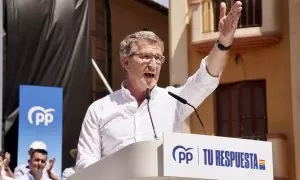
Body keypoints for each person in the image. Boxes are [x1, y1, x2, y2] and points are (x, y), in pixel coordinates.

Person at [75, 1, 243, 172]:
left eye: (158, 59)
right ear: (126, 62)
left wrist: (223, 41)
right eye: (146, 56)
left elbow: (205, 79)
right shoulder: (99, 110)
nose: (153, 65)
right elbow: (84, 165)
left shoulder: (173, 101)